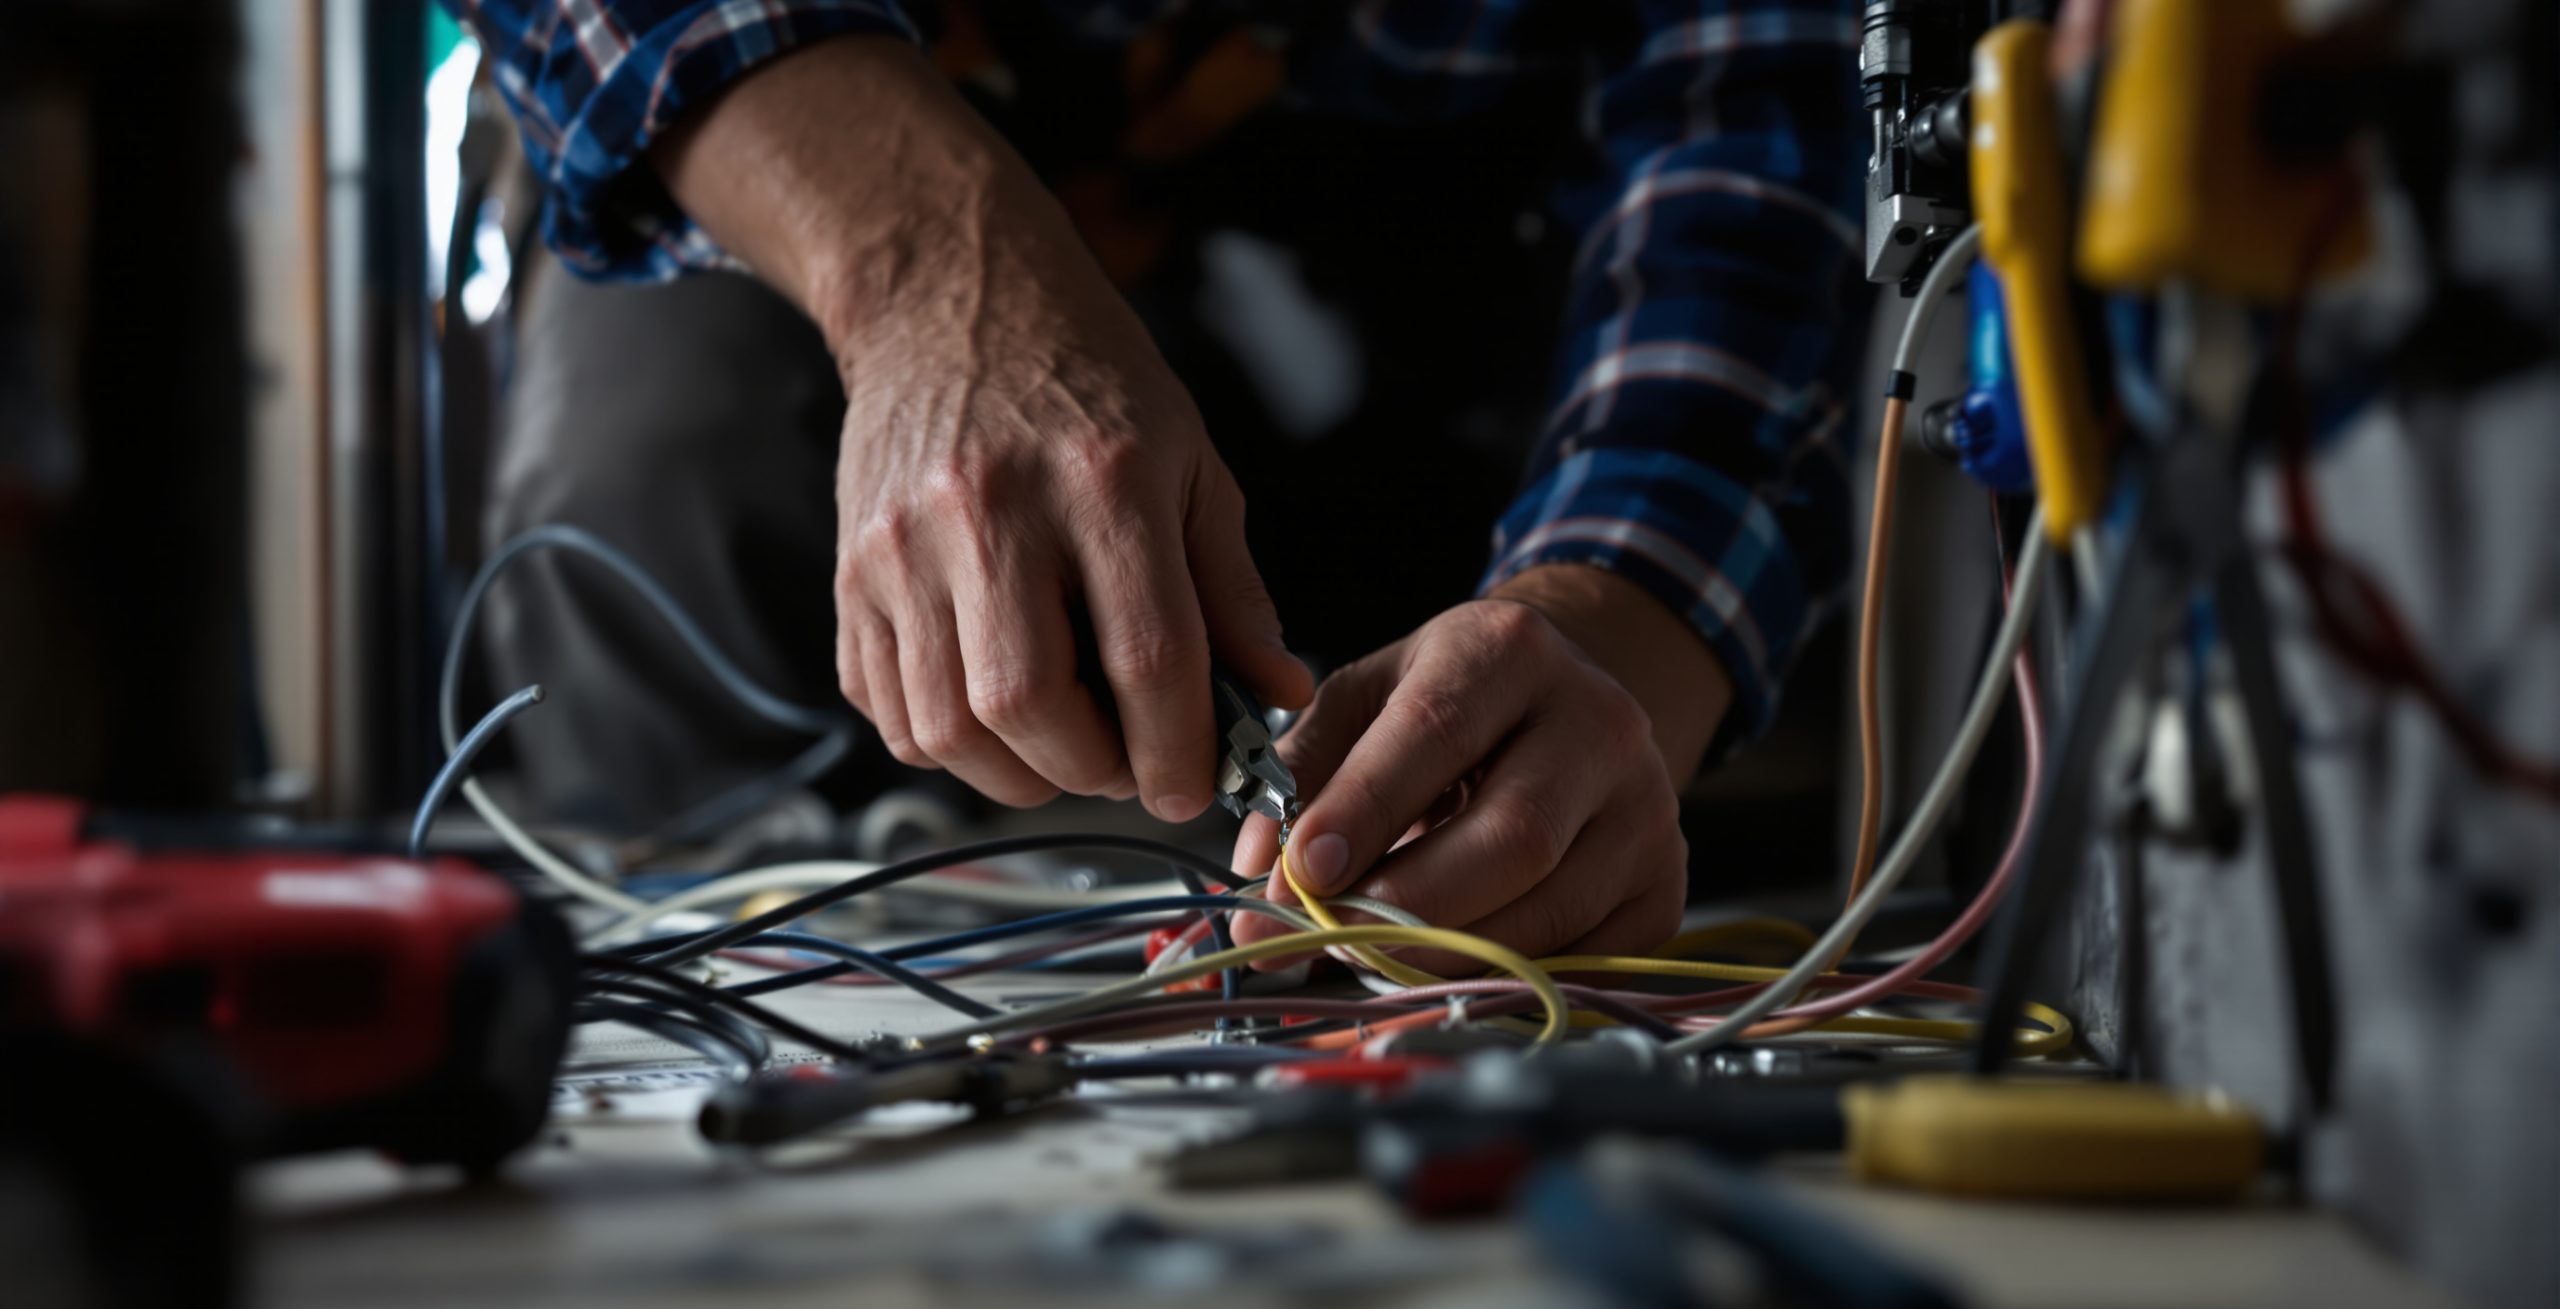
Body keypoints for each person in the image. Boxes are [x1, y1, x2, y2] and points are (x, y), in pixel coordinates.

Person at [449, 0, 1867, 959]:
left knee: (1464, 780)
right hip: (793, 121)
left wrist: (1608, 632)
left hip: (1449, 272)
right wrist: (925, 272)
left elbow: (1756, 140)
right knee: (657, 469)